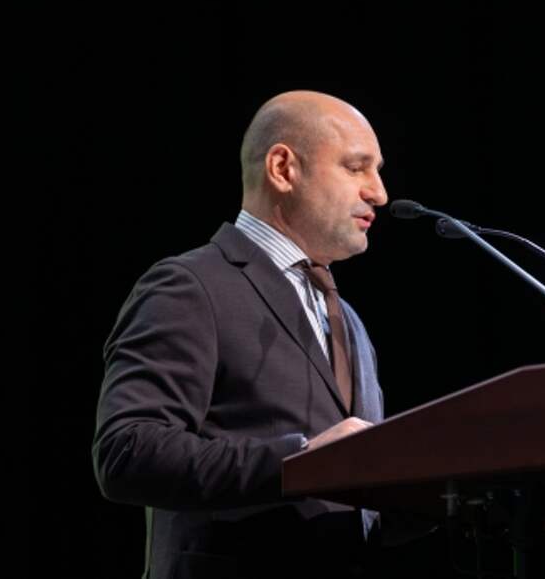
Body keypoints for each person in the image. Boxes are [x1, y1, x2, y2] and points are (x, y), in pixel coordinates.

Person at [93, 90, 389, 578]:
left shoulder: (349, 319)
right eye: (357, 168)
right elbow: (128, 451)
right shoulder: (191, 286)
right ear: (283, 168)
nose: (379, 192)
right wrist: (299, 460)